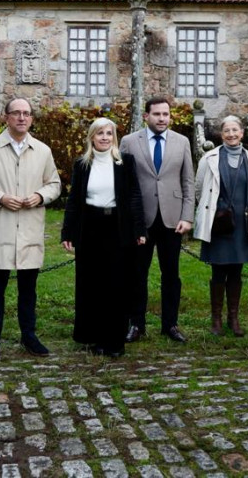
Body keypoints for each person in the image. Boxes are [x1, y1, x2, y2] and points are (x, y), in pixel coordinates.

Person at [0, 97, 61, 363]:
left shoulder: (42, 150)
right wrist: (0, 197)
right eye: (16, 113)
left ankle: (29, 336)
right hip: (2, 227)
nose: (22, 118)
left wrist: (40, 196)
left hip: (30, 228)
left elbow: (54, 184)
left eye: (27, 113)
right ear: (6, 117)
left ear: (31, 118)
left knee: (28, 289)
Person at [61, 118, 147, 357]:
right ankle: (96, 337)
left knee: (117, 284)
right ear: (92, 137)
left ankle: (115, 341)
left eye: (109, 133)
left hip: (117, 226)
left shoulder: (125, 162)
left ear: (114, 137)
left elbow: (134, 197)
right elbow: (74, 201)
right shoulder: (82, 164)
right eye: (100, 134)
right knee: (92, 284)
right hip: (90, 226)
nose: (105, 138)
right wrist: (67, 232)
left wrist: (139, 230)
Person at [119, 96, 195, 343]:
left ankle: (170, 325)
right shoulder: (129, 142)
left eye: (166, 114)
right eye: (157, 114)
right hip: (141, 220)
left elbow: (188, 181)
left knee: (171, 274)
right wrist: (128, 220)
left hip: (173, 219)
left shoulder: (182, 142)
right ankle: (136, 325)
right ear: (146, 116)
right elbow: (123, 182)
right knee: (136, 274)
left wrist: (187, 216)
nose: (162, 118)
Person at [193, 116, 248, 336]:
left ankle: (234, 319)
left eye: (235, 130)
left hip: (242, 224)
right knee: (218, 272)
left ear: (242, 132)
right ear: (221, 135)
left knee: (236, 272)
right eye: (227, 131)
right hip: (219, 224)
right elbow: (199, 189)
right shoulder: (210, 158)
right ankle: (216, 320)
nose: (231, 134)